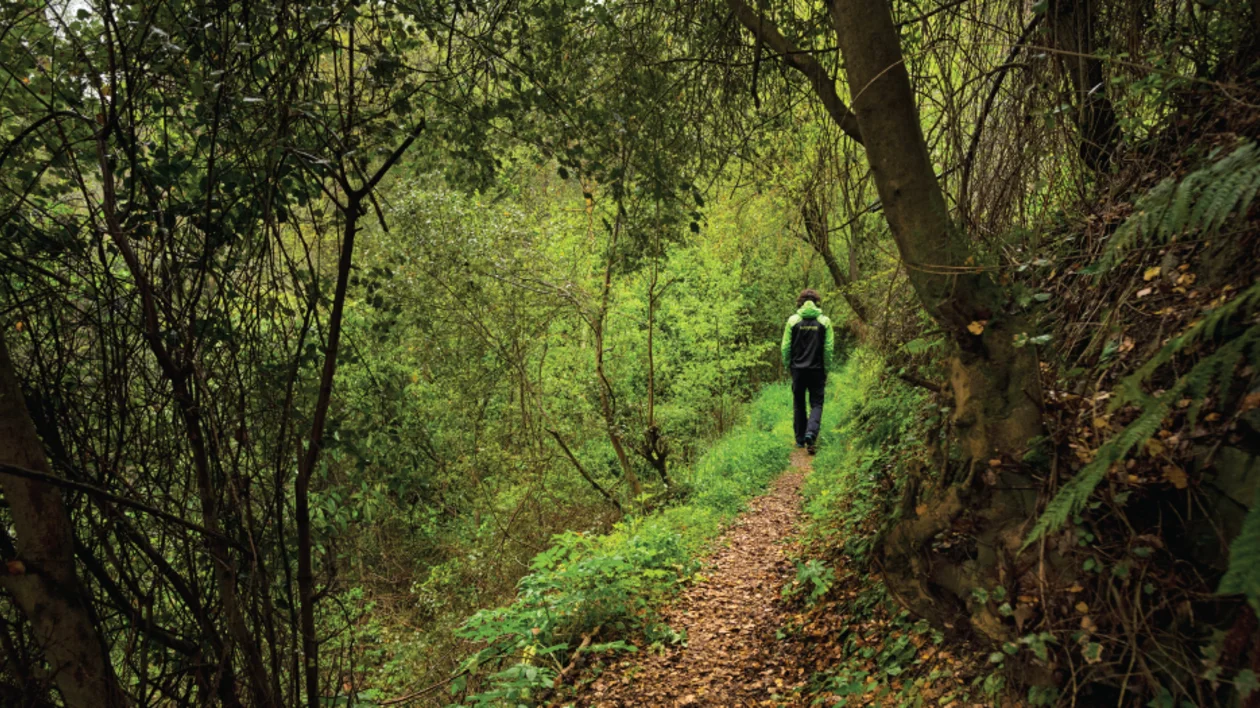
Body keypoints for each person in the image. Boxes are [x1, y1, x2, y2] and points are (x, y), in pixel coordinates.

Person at [780, 288, 834, 454]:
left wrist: (787, 364)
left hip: (797, 369)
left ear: (800, 302)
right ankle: (811, 433)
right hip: (817, 370)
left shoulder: (793, 321)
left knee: (799, 403)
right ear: (817, 302)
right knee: (816, 403)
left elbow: (786, 347)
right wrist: (827, 368)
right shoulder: (825, 322)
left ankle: (800, 439)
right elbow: (828, 349)